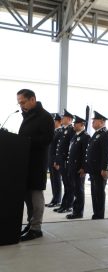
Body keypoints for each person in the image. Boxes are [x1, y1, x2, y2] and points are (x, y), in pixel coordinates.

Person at [17, 89, 54, 241]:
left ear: (32, 100)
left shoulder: (45, 117)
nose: (21, 105)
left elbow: (47, 139)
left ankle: (36, 228)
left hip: (37, 163)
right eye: (19, 103)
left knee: (36, 196)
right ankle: (30, 224)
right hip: (25, 163)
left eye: (23, 102)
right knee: (27, 197)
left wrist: (26, 141)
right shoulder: (28, 116)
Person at [85, 111, 108, 219]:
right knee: (94, 192)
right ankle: (96, 212)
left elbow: (107, 153)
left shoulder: (106, 134)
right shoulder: (97, 134)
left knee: (99, 192)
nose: (92, 122)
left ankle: (100, 214)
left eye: (94, 121)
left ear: (101, 122)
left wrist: (105, 168)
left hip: (100, 169)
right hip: (94, 169)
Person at [66, 115, 90, 219]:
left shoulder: (86, 137)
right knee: (75, 189)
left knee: (79, 190)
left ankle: (78, 212)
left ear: (82, 125)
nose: (73, 125)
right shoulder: (75, 136)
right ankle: (75, 210)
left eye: (76, 124)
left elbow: (86, 154)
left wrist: (84, 168)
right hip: (72, 167)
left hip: (79, 168)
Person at [53, 109, 75, 213]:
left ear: (70, 119)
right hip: (61, 161)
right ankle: (64, 204)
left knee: (69, 184)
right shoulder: (63, 129)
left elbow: (70, 148)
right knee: (65, 184)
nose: (62, 119)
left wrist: (66, 161)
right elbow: (59, 147)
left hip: (66, 162)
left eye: (64, 117)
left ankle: (69, 205)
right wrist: (57, 161)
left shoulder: (71, 130)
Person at [45, 113, 62, 207]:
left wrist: (57, 161)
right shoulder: (54, 132)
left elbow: (58, 149)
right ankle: (54, 199)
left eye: (54, 121)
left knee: (57, 180)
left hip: (55, 160)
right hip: (51, 159)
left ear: (59, 122)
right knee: (52, 179)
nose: (53, 123)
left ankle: (58, 199)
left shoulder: (60, 132)